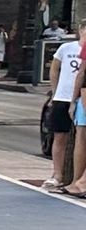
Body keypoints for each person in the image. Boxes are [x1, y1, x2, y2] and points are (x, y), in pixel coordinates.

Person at [47, 22, 82, 194]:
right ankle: (57, 174)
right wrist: (55, 91)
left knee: (80, 138)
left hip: (81, 97)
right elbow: (54, 68)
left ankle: (78, 179)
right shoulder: (67, 48)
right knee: (60, 136)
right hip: (63, 96)